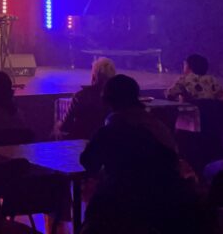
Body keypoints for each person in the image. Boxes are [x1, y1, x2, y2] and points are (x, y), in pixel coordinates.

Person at [80, 75, 202, 234]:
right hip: (167, 202)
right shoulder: (157, 126)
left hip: (123, 205)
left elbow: (88, 162)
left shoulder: (110, 130)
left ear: (107, 100)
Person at [59, 57, 116, 140]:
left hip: (83, 143)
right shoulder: (119, 97)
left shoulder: (80, 96)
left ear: (93, 77)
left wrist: (58, 125)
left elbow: (66, 126)